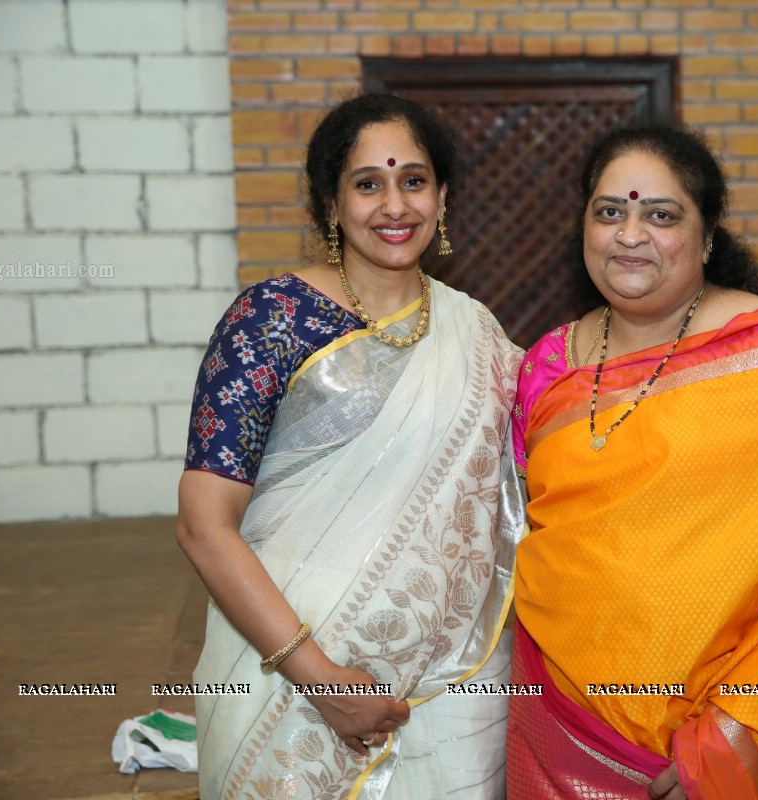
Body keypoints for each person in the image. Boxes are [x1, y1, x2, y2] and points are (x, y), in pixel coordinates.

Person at [177, 93, 525, 800]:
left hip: (450, 681)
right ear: (331, 205)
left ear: (443, 196)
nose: (395, 205)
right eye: (369, 184)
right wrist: (320, 678)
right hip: (287, 675)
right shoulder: (269, 320)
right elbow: (202, 525)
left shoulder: (477, 332)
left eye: (414, 181)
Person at [506, 125, 758, 800]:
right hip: (557, 716)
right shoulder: (547, 365)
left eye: (661, 215)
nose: (629, 234)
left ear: (705, 241)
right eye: (609, 212)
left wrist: (734, 732)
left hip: (719, 725)